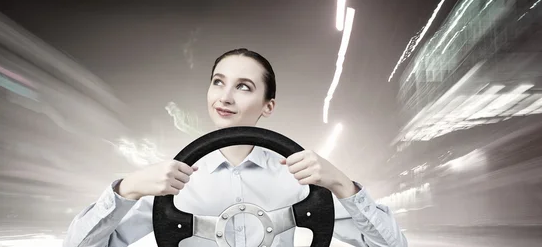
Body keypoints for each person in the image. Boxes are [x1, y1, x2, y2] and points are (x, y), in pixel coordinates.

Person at [63, 48, 408, 247]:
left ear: (268, 105)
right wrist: (127, 189)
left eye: (243, 87)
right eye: (218, 82)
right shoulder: (174, 181)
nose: (224, 97)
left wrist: (343, 186)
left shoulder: (297, 179)